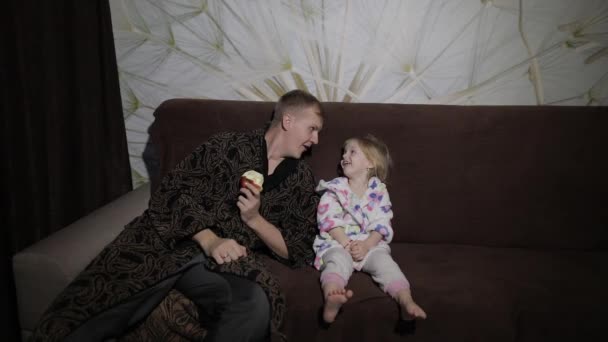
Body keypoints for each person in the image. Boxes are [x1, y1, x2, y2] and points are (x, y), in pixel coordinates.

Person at [31, 89, 324, 342]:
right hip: (171, 242)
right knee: (105, 299)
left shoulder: (300, 179)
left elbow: (296, 248)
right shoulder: (225, 147)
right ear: (288, 120)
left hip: (224, 264)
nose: (316, 139)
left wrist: (254, 219)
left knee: (255, 303)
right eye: (312, 128)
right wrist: (209, 240)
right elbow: (172, 193)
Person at [312, 134, 427, 325]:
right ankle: (331, 297)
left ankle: (406, 301)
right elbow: (328, 219)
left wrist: (366, 245)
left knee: (385, 264)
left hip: (369, 243)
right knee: (336, 261)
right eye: (344, 152)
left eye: (352, 152)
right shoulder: (335, 189)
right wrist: (346, 244)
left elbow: (382, 223)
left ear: (370, 163)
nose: (344, 156)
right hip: (339, 242)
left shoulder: (379, 192)